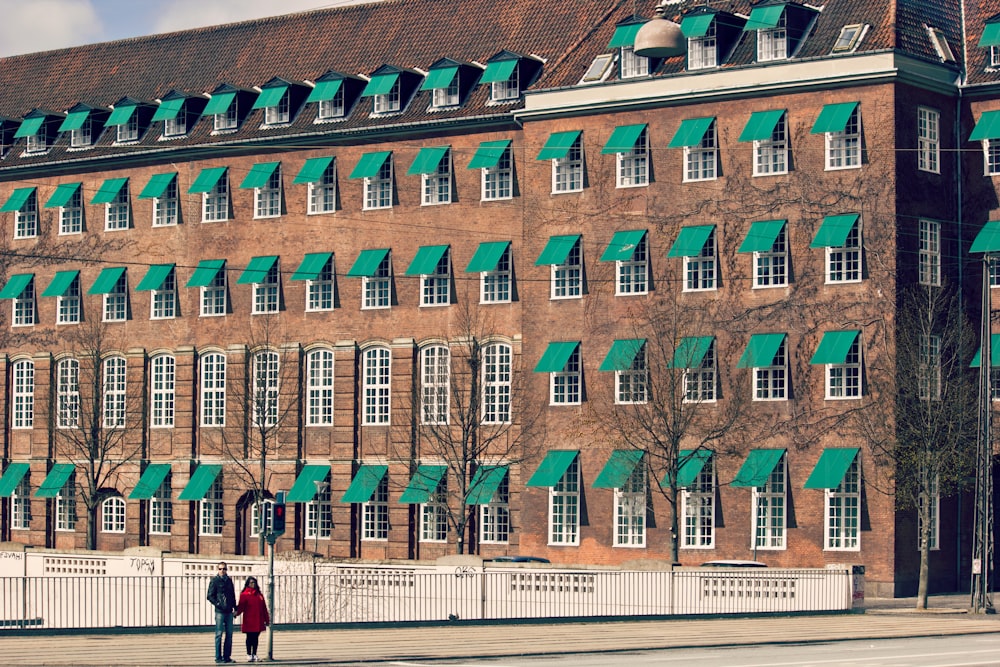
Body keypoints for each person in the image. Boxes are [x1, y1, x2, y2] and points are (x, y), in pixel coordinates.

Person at [206, 562, 237, 663]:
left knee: (229, 634)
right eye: (220, 569)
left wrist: (235, 608)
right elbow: (210, 596)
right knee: (219, 634)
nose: (222, 571)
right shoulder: (214, 581)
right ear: (217, 570)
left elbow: (232, 595)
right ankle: (218, 657)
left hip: (229, 611)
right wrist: (218, 604)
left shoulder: (229, 580)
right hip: (220, 611)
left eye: (224, 569)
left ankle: (227, 657)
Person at [234, 576, 270, 662]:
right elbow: (241, 606)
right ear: (247, 584)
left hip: (258, 619)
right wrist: (236, 613)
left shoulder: (259, 595)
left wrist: (267, 619)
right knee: (249, 637)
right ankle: (249, 654)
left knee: (256, 638)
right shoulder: (244, 594)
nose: (252, 584)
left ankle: (254, 654)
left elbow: (264, 608)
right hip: (249, 620)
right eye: (251, 583)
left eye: (254, 582)